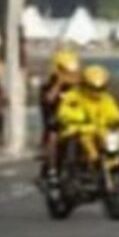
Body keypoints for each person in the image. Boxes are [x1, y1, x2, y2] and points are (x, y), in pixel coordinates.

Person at [57, 65, 119, 166]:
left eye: (101, 88)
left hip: (101, 131)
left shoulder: (106, 99)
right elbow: (63, 113)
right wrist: (78, 117)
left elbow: (113, 112)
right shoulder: (73, 96)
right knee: (85, 138)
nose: (97, 91)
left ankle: (114, 161)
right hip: (79, 131)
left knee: (114, 141)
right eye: (93, 88)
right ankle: (91, 161)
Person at [40, 48, 82, 176]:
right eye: (66, 71)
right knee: (53, 137)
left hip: (79, 121)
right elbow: (48, 100)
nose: (70, 75)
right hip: (57, 122)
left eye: (71, 72)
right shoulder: (49, 85)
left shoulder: (80, 85)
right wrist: (59, 83)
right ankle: (52, 167)